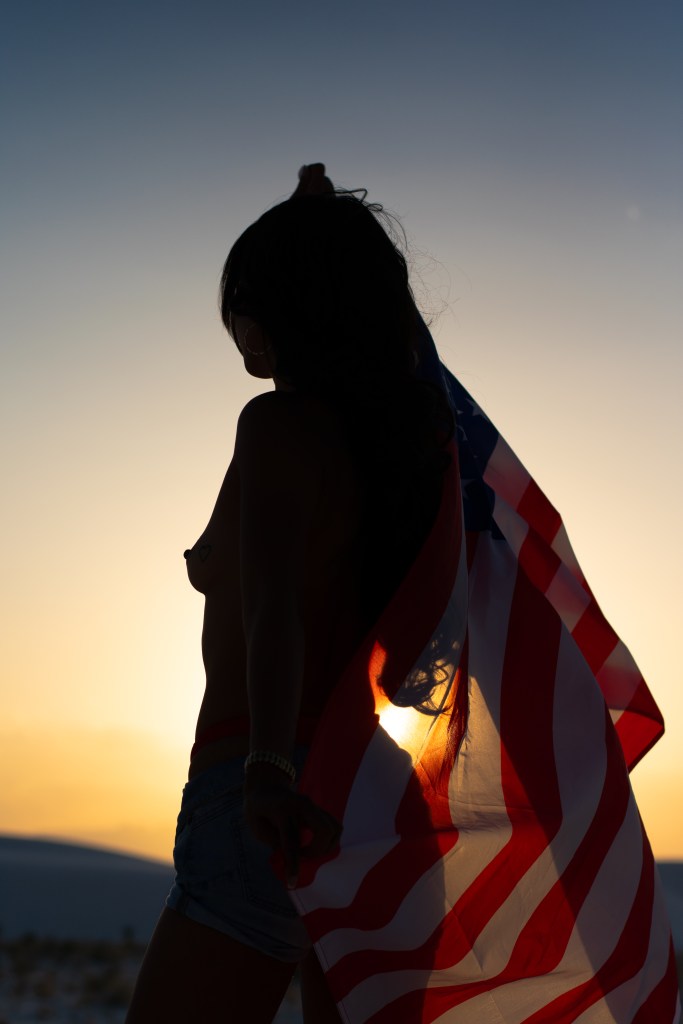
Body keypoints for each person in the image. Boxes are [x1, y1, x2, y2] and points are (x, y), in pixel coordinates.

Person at [125, 163, 454, 1023]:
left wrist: (267, 769)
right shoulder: (405, 455)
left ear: (272, 316)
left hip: (265, 784)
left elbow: (273, 600)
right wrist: (328, 233)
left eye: (239, 300)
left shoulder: (278, 426)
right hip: (372, 792)